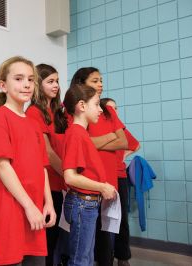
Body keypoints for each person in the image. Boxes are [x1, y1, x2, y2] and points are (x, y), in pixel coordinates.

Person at [0, 56, 56, 265]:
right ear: (3, 85)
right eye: (18, 78)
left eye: (30, 79)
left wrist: (48, 203)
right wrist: (28, 206)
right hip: (9, 207)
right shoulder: (0, 118)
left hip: (33, 206)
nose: (26, 84)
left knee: (36, 260)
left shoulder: (33, 123)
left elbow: (42, 167)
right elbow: (2, 165)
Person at [70, 67, 128, 266]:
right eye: (95, 81)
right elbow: (71, 173)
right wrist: (110, 136)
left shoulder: (104, 112)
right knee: (82, 253)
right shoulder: (76, 125)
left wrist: (95, 141)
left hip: (101, 187)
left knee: (100, 244)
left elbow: (124, 141)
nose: (100, 84)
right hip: (85, 192)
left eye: (101, 80)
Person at [54, 84, 116, 266]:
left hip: (88, 203)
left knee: (87, 258)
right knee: (80, 260)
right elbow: (70, 177)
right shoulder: (76, 134)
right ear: (82, 106)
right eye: (97, 105)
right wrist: (102, 187)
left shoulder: (81, 134)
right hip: (83, 204)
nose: (99, 110)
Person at [26, 64, 65, 266]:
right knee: (47, 241)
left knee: (56, 240)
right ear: (39, 85)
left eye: (57, 81)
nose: (56, 85)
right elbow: (47, 152)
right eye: (50, 81)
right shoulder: (34, 112)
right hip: (47, 184)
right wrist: (70, 176)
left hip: (60, 183)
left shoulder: (58, 112)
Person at [101, 98, 140, 266]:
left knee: (121, 219)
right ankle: (104, 257)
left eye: (116, 108)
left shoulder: (119, 129)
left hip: (119, 176)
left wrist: (123, 156)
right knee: (104, 221)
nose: (114, 111)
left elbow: (135, 144)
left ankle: (123, 257)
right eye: (110, 108)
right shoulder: (99, 126)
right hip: (103, 177)